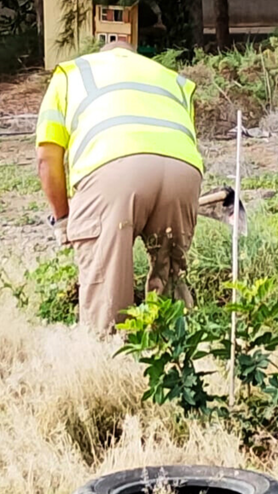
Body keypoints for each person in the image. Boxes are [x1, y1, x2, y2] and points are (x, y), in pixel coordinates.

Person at [35, 41, 205, 335]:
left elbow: (47, 159)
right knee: (170, 280)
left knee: (106, 291)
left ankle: (108, 365)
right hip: (183, 172)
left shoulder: (73, 74)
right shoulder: (171, 79)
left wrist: (63, 220)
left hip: (113, 169)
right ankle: (177, 356)